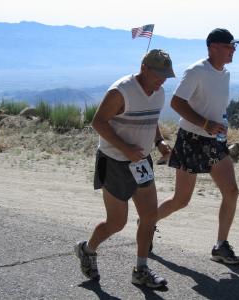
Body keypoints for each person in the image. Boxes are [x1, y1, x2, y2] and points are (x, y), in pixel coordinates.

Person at [74, 49, 174, 288]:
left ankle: (141, 269)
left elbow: (151, 118)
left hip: (141, 162)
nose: (162, 79)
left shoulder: (158, 93)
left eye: (166, 74)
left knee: (149, 216)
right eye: (158, 74)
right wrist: (126, 148)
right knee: (117, 223)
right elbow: (97, 122)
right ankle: (87, 249)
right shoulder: (121, 91)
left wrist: (159, 141)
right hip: (115, 162)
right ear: (144, 68)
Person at [155, 28, 239, 265]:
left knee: (232, 191)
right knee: (181, 201)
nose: (233, 50)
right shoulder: (196, 71)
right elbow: (176, 102)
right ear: (213, 47)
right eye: (229, 46)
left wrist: (219, 124)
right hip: (191, 141)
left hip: (215, 142)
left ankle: (220, 246)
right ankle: (147, 222)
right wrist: (205, 123)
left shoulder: (224, 73)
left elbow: (215, 106)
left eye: (235, 46)